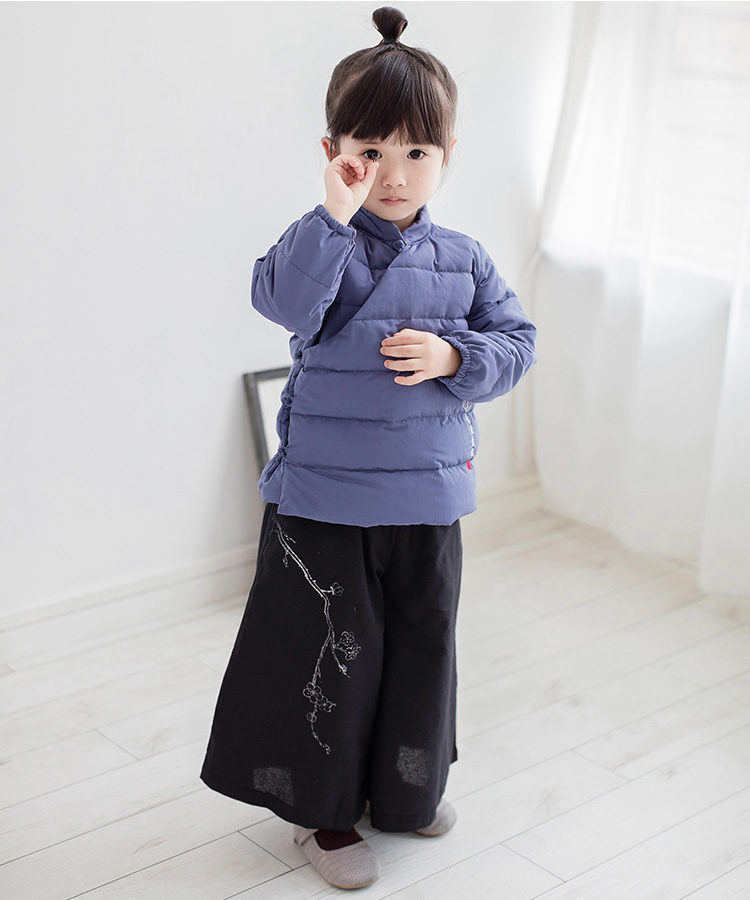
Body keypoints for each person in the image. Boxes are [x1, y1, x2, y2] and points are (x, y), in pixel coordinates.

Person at [200, 5, 537, 890]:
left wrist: (456, 357)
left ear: (449, 153)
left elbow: (517, 344)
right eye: (370, 151)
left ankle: (405, 793)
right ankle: (323, 816)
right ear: (334, 150)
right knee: (329, 659)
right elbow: (280, 302)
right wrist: (332, 211)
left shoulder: (464, 257)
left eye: (417, 151)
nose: (393, 173)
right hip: (323, 503)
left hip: (426, 501)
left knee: (422, 651)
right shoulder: (321, 243)